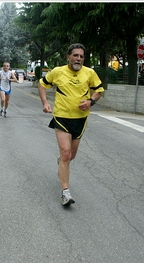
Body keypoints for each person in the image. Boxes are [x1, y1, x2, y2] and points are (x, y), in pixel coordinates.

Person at [38, 43, 105, 206]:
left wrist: (91, 101)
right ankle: (65, 193)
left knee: (70, 156)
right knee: (66, 153)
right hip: (62, 117)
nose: (78, 59)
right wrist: (45, 102)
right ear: (68, 56)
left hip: (80, 119)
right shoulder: (58, 72)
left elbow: (99, 91)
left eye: (81, 56)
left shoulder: (90, 73)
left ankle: (61, 162)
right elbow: (42, 84)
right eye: (75, 55)